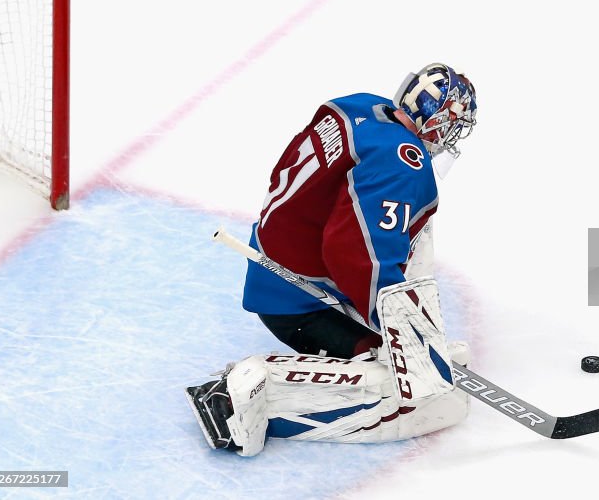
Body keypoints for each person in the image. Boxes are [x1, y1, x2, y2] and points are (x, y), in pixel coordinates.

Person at [187, 63, 478, 455]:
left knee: (411, 224)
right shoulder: (403, 163)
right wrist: (399, 325)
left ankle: (392, 326)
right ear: (439, 121)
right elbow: (355, 252)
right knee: (414, 391)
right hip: (301, 301)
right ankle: (239, 396)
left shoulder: (360, 108)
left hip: (276, 264)